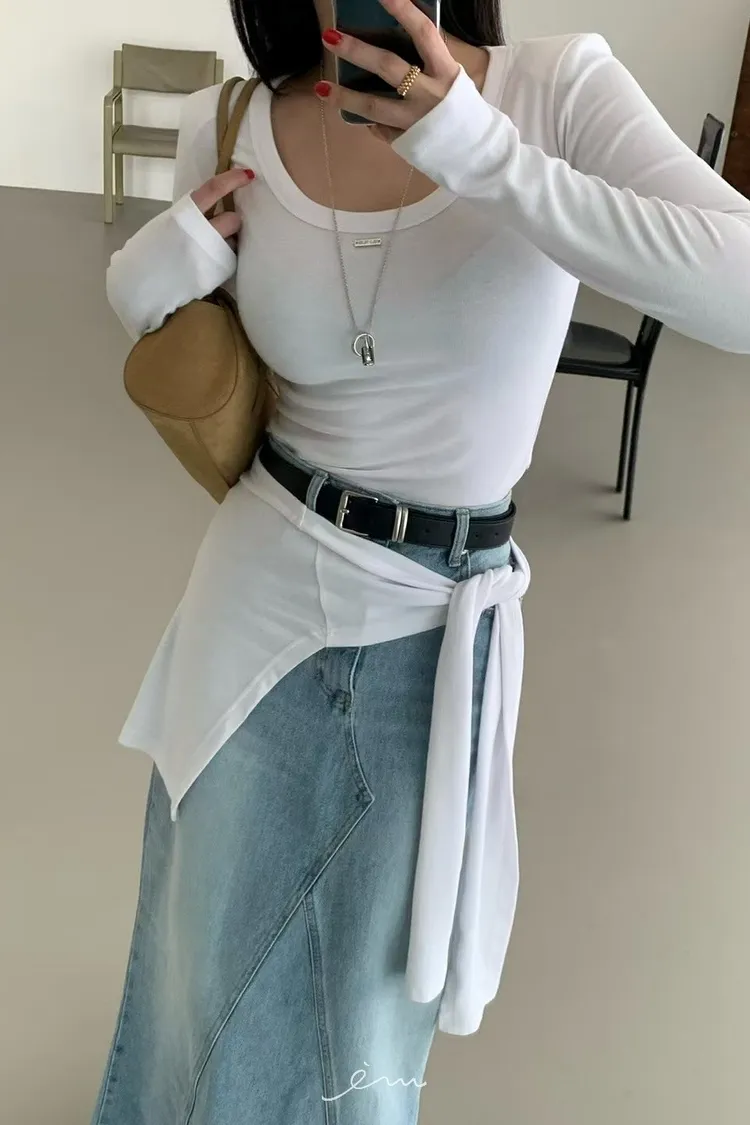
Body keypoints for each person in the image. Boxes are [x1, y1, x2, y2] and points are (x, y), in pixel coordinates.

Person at [92, 0, 750, 1122]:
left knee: (358, 1016)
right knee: (197, 971)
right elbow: (154, 322)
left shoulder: (555, 92)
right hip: (251, 604)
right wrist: (160, 263)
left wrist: (481, 152)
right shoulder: (232, 121)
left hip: (429, 631)